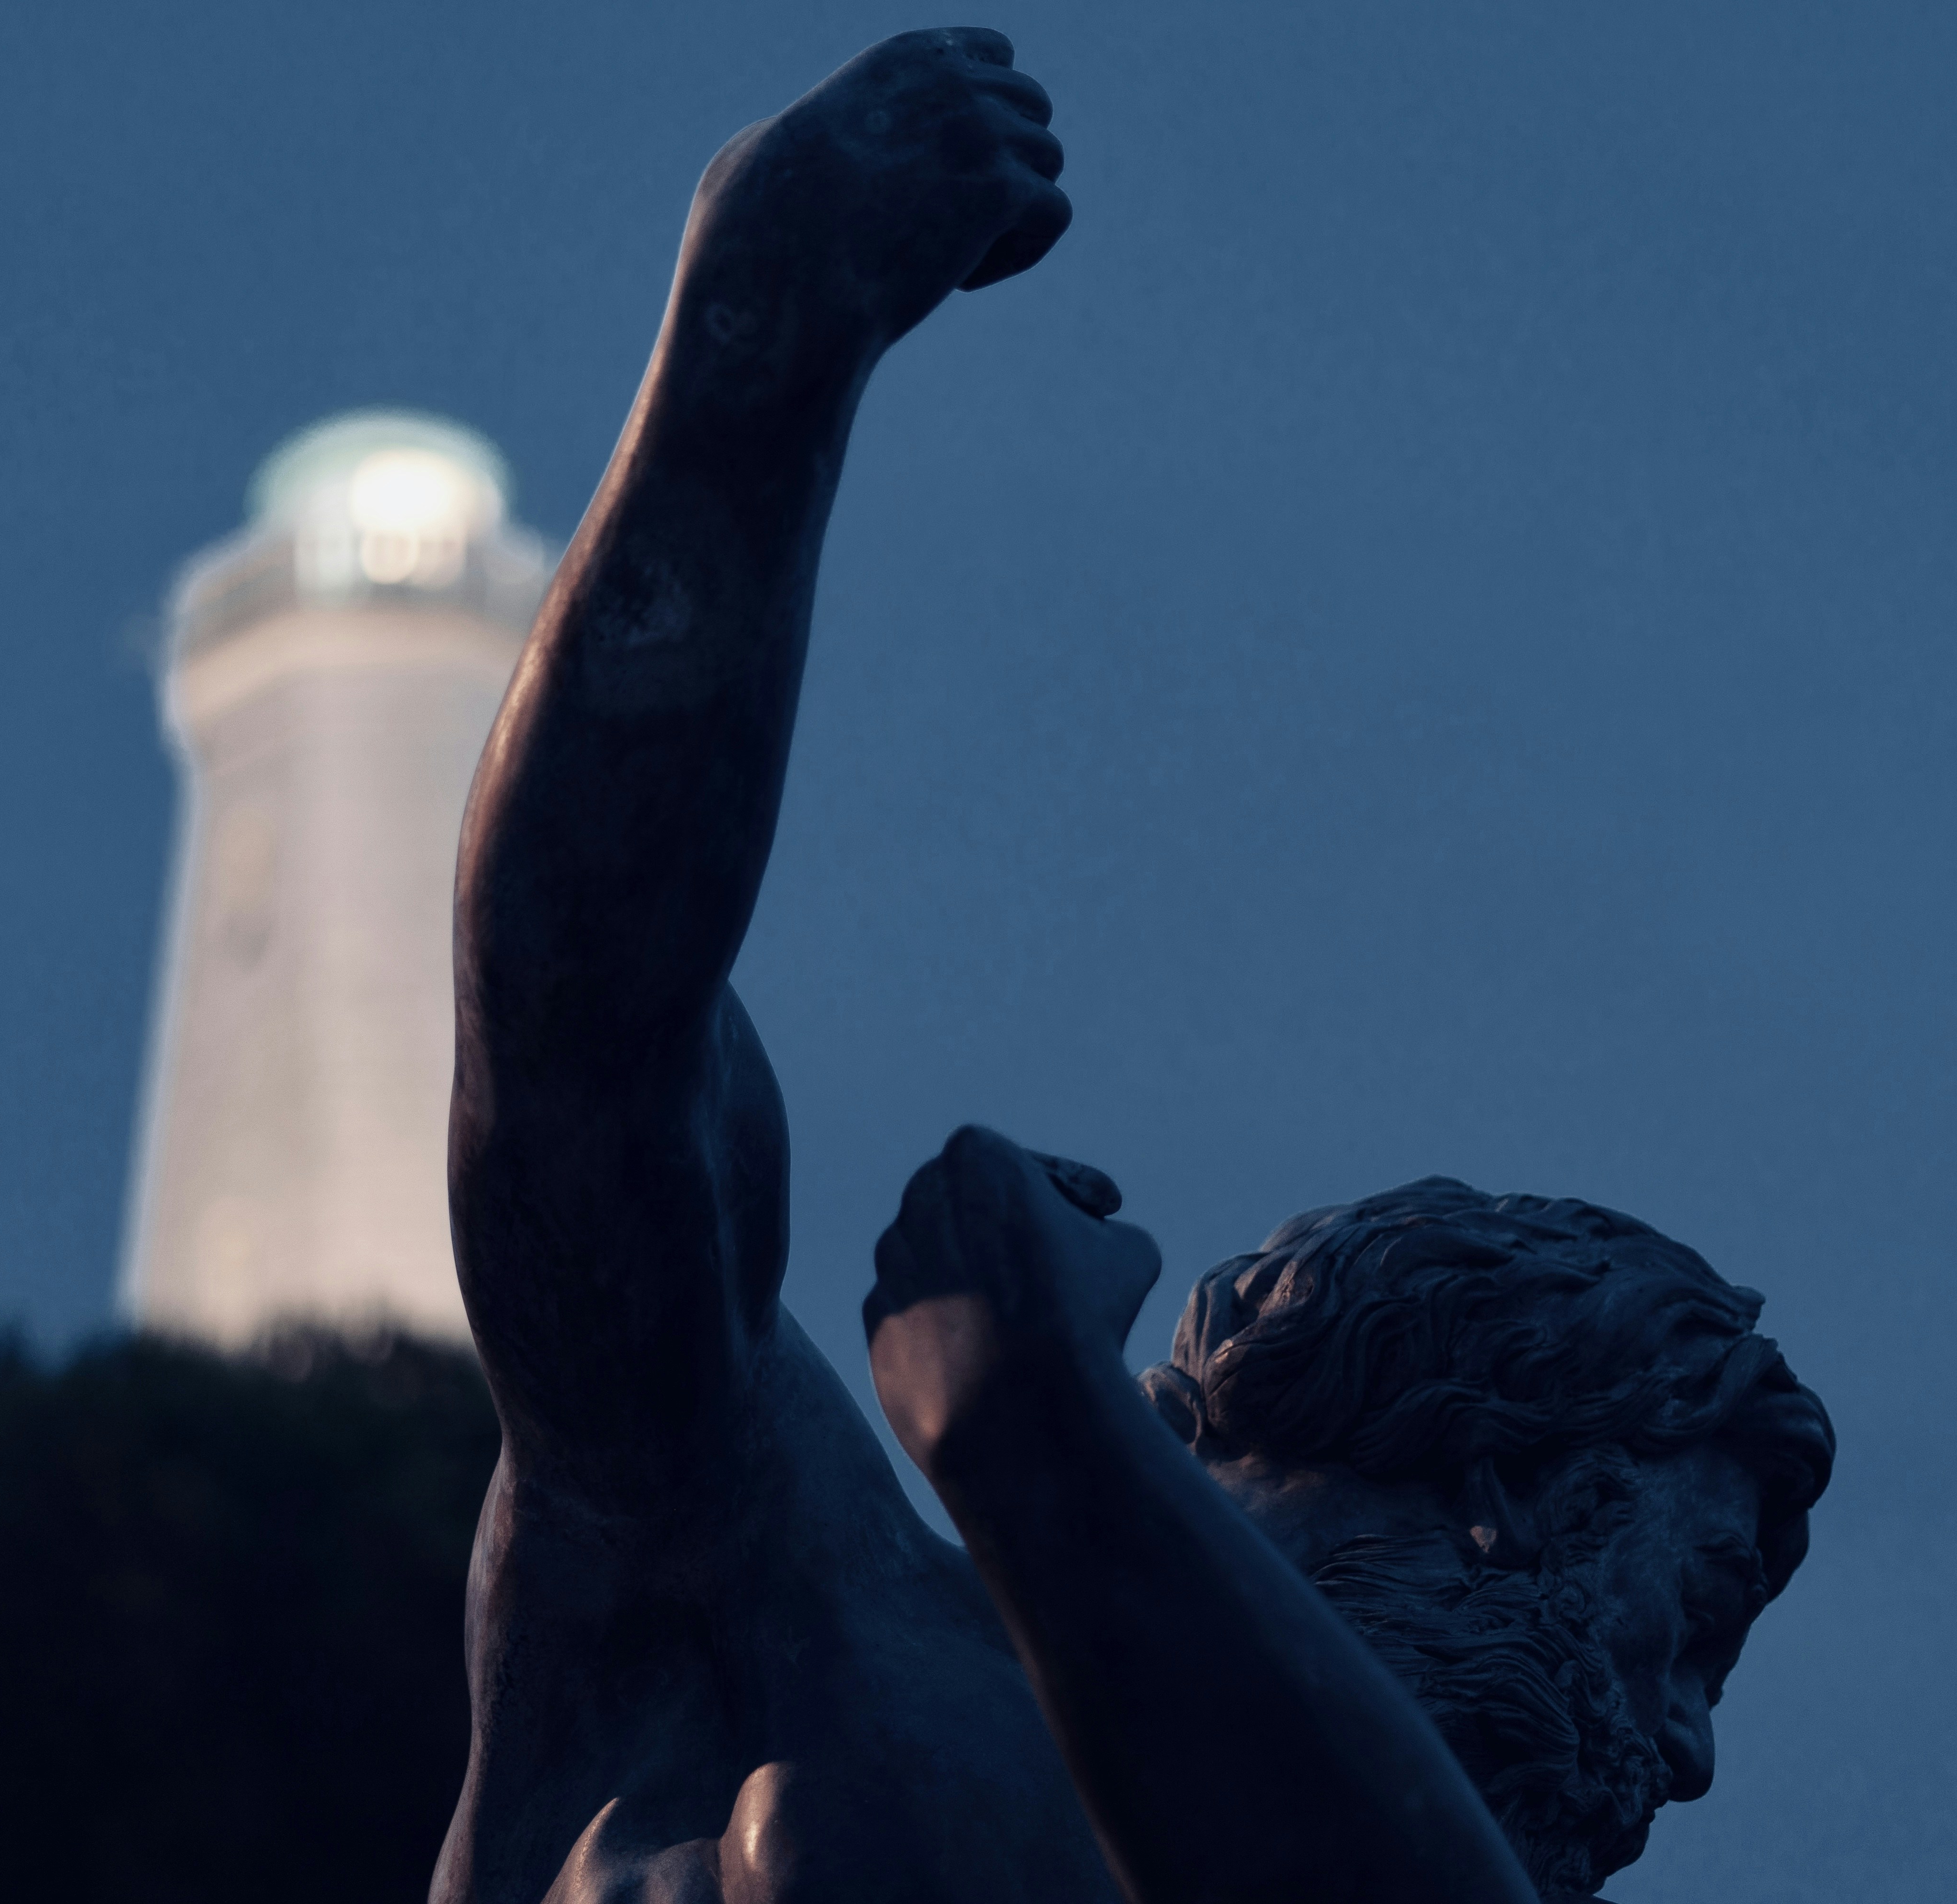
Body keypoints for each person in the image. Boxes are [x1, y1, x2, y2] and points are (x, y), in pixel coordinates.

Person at [443, 30, 1833, 1904]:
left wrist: (1043, 1437)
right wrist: (760, 361)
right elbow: (577, 1044)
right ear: (1512, 1503)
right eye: (1699, 1619)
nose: (1689, 1752)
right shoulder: (808, 1608)